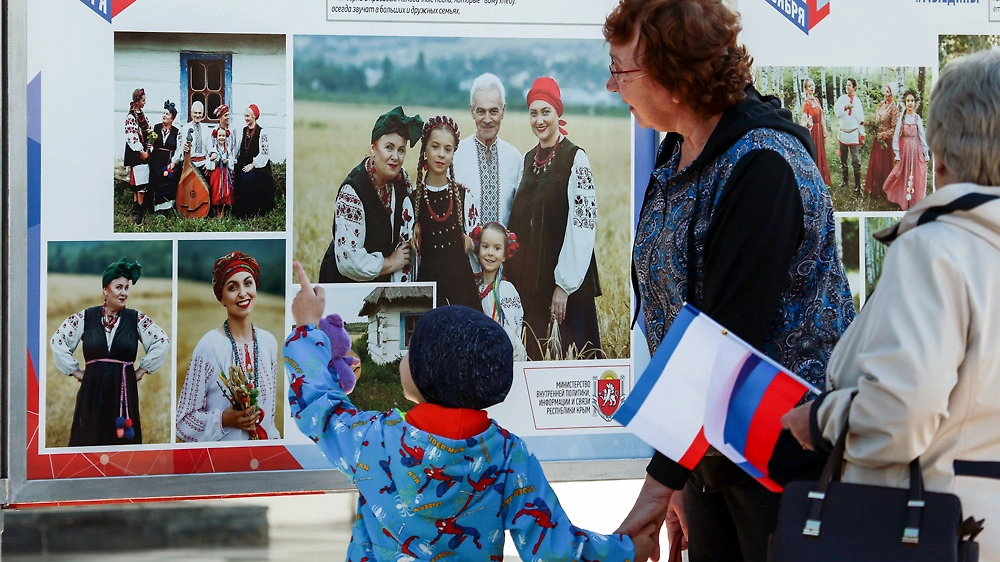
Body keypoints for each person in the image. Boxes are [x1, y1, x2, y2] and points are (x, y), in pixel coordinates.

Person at [603, 1, 856, 560]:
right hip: (712, 454)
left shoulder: (763, 165)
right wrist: (683, 479)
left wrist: (655, 489)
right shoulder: (679, 152)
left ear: (672, 77)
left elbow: (723, 338)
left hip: (785, 463)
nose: (610, 84)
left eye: (621, 70)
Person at [782, 48, 1000, 562]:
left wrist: (818, 420)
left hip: (929, 528)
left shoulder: (936, 248)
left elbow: (901, 416)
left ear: (940, 150)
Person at [285, 262, 656, 561]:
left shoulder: (375, 440)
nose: (403, 356)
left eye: (412, 353)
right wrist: (628, 551)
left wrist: (306, 327)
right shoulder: (509, 457)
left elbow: (317, 404)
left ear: (426, 377)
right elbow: (556, 549)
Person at [505, 77, 603, 361]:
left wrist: (564, 285)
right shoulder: (527, 160)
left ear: (558, 113)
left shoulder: (576, 159)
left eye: (545, 111)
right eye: (533, 113)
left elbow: (583, 226)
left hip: (565, 287)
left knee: (572, 365)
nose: (539, 120)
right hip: (532, 285)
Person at [50, 258, 170, 446]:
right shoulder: (85, 317)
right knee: (89, 441)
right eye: (119, 287)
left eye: (127, 288)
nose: (124, 293)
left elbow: (162, 341)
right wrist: (75, 370)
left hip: (123, 391)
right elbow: (58, 340)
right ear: (106, 289)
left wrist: (141, 370)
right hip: (92, 391)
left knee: (120, 444)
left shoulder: (135, 319)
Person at [176, 251, 280, 442]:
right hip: (222, 465)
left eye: (248, 283)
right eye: (233, 287)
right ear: (222, 298)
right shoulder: (208, 346)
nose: (243, 293)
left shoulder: (269, 343)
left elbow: (270, 420)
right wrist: (224, 420)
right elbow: (182, 423)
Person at [318, 106, 421, 284]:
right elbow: (349, 261)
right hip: (345, 284)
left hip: (381, 283)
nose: (395, 156)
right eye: (389, 147)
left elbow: (411, 222)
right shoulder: (353, 190)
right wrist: (390, 262)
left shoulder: (402, 179)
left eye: (401, 150)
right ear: (373, 148)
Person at [411, 115, 480, 309]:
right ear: (425, 149)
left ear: (453, 154)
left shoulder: (465, 197)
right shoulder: (413, 200)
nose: (441, 154)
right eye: (435, 147)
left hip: (462, 292)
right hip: (427, 294)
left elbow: (477, 249)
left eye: (447, 149)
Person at [453, 73, 525, 232]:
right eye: (480, 111)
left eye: (493, 111)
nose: (487, 119)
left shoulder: (515, 159)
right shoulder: (455, 155)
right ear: (472, 111)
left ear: (503, 111)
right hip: (463, 256)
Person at [473, 221, 527, 361]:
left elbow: (512, 336)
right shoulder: (475, 288)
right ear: (478, 250)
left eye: (497, 248)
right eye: (485, 247)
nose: (490, 253)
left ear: (504, 255)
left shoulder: (505, 290)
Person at [882, 89, 930, 211]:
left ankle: (914, 200)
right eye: (908, 100)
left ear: (915, 103)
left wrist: (925, 152)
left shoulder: (917, 118)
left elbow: (922, 135)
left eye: (912, 101)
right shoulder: (902, 118)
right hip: (905, 149)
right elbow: (897, 134)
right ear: (905, 102)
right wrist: (897, 152)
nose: (910, 103)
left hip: (915, 148)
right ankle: (902, 199)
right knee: (902, 172)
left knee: (915, 173)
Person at [233, 104, 276, 218]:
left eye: (248, 116)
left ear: (254, 117)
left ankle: (250, 211)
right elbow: (238, 149)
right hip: (244, 164)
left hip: (258, 167)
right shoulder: (243, 130)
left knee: (247, 178)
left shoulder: (262, 132)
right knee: (240, 175)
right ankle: (241, 212)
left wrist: (253, 165)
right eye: (245, 116)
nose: (246, 118)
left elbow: (264, 154)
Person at [863, 83, 899, 198]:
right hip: (877, 139)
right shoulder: (881, 104)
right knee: (876, 164)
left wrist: (884, 134)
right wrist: (868, 124)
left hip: (886, 142)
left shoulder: (894, 108)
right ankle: (875, 188)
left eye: (888, 92)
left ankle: (885, 189)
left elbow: (895, 128)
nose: (885, 94)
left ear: (892, 94)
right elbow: (875, 119)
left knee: (883, 166)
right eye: (885, 91)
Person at [124, 88, 153, 224]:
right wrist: (140, 150)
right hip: (136, 151)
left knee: (141, 178)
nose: (144, 103)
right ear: (136, 101)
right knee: (139, 179)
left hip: (144, 149)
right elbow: (131, 136)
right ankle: (139, 210)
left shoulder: (142, 115)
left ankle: (139, 206)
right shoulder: (131, 117)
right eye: (143, 100)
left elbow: (148, 130)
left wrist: (149, 144)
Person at [148, 99, 180, 213]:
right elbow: (150, 142)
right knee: (156, 181)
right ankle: (155, 208)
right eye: (164, 113)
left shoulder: (177, 131)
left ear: (172, 118)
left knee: (167, 183)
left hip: (168, 160)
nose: (164, 116)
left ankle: (166, 209)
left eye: (167, 114)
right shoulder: (156, 128)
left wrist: (174, 162)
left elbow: (179, 148)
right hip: (156, 159)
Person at [834, 77, 866, 192]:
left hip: (853, 134)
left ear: (854, 88)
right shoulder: (842, 99)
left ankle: (858, 185)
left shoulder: (857, 101)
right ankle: (845, 180)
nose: (847, 87)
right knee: (843, 159)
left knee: (856, 159)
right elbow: (837, 112)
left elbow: (860, 118)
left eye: (849, 85)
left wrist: (862, 133)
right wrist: (845, 107)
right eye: (846, 85)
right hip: (843, 133)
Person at [169, 100, 213, 180]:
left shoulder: (206, 129)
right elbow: (179, 148)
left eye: (199, 113)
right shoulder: (185, 128)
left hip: (203, 166)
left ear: (202, 114)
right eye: (195, 113)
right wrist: (174, 161)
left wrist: (209, 164)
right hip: (189, 166)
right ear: (191, 113)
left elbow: (210, 149)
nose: (197, 115)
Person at [799, 77, 831, 185]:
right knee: (815, 153)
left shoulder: (817, 100)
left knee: (821, 153)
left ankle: (822, 178)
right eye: (809, 86)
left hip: (819, 130)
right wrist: (807, 125)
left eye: (813, 85)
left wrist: (825, 130)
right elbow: (804, 121)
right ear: (806, 89)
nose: (812, 88)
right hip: (813, 132)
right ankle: (814, 179)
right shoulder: (806, 103)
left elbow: (821, 116)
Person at [207, 127, 235, 218]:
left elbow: (231, 160)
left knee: (226, 192)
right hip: (216, 173)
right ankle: (217, 211)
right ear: (216, 136)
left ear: (226, 137)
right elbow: (208, 161)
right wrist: (213, 159)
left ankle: (223, 210)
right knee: (216, 191)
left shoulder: (227, 150)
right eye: (219, 135)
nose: (221, 138)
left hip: (225, 174)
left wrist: (227, 161)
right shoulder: (213, 149)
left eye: (223, 136)